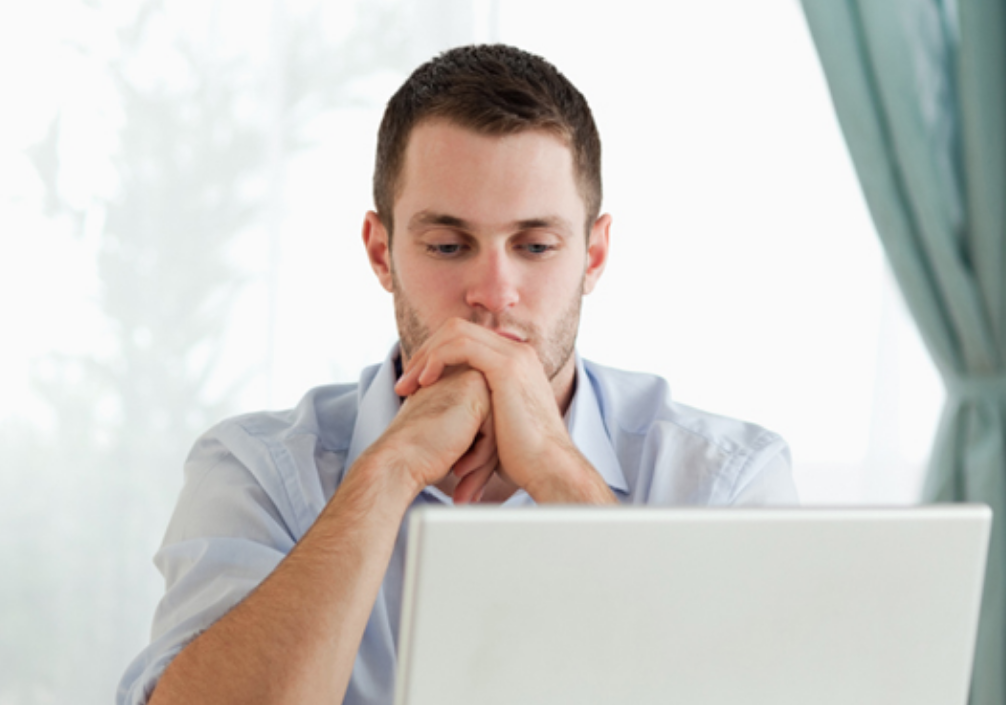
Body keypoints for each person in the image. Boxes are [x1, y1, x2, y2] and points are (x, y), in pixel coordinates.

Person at [118, 44, 798, 705]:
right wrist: (386, 473)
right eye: (448, 245)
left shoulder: (728, 482)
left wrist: (562, 474)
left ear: (593, 256)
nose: (492, 290)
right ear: (382, 253)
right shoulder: (255, 472)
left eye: (535, 246)